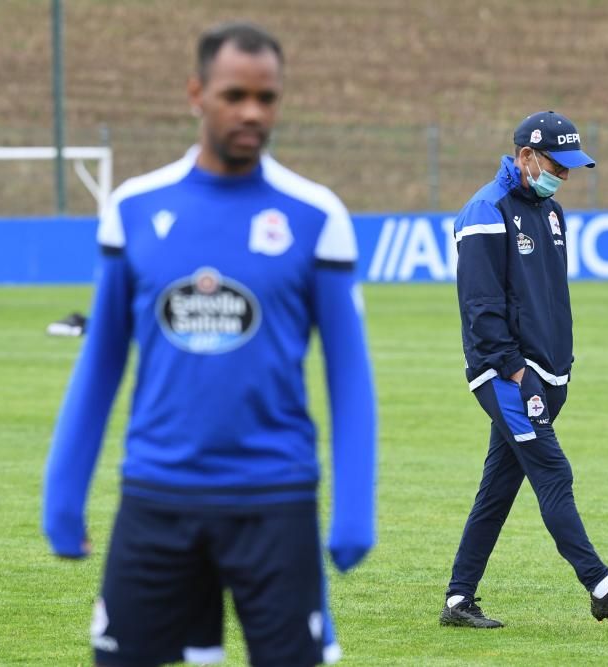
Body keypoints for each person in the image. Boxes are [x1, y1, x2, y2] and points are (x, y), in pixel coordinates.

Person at [42, 21, 376, 666]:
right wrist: (63, 492)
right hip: (157, 496)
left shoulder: (316, 216)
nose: (252, 112)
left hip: (275, 500)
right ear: (197, 93)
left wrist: (355, 507)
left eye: (267, 97)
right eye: (234, 95)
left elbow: (349, 375)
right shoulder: (134, 209)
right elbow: (102, 360)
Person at [439, 111, 608, 628]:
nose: (562, 177)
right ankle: (602, 587)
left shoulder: (551, 213)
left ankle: (458, 600)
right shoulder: (484, 211)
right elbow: (481, 308)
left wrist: (559, 366)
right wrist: (517, 372)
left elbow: (548, 298)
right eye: (555, 166)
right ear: (525, 157)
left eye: (569, 169)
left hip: (547, 373)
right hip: (508, 376)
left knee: (497, 490)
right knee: (553, 473)